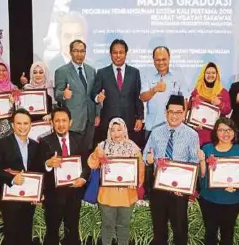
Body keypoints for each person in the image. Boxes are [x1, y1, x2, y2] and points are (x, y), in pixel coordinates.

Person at [144, 95, 199, 245]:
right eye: (171, 112)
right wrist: (149, 159)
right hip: (158, 188)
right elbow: (145, 155)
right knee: (159, 229)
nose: (174, 115)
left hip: (179, 191)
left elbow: (194, 163)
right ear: (165, 112)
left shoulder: (192, 135)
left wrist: (185, 188)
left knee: (180, 230)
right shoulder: (156, 132)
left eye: (178, 112)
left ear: (184, 113)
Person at [0, 108, 45, 245]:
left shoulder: (36, 146)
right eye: (19, 123)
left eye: (26, 123)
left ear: (30, 125)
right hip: (10, 198)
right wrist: (12, 178)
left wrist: (39, 192)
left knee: (26, 234)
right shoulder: (2, 143)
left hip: (28, 198)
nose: (22, 127)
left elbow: (38, 171)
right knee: (11, 235)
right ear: (13, 125)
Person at [88, 117, 145, 245]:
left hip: (127, 195)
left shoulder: (133, 147)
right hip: (107, 195)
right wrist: (97, 154)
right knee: (107, 226)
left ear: (124, 130)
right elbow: (92, 164)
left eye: (119, 129)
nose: (116, 133)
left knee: (123, 226)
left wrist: (135, 182)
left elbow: (140, 169)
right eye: (112, 130)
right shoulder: (103, 146)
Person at [39, 107, 90, 245]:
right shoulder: (44, 142)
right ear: (52, 123)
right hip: (53, 195)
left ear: (70, 122)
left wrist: (83, 178)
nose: (61, 124)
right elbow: (38, 167)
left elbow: (87, 164)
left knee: (72, 231)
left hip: (74, 193)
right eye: (57, 121)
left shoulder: (80, 138)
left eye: (64, 121)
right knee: (52, 232)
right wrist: (48, 164)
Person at [199, 117, 239, 245]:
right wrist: (201, 161)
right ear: (215, 132)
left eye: (229, 130)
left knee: (227, 234)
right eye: (221, 130)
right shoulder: (207, 149)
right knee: (210, 234)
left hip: (231, 200)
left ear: (234, 132)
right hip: (209, 198)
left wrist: (236, 187)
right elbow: (202, 175)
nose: (225, 134)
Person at [91, 39, 144, 145]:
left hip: (129, 122)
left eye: (121, 52)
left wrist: (140, 118)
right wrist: (98, 98)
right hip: (108, 123)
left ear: (125, 54)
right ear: (110, 54)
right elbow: (93, 93)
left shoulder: (135, 72)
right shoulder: (102, 72)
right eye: (115, 52)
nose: (118, 55)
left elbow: (138, 97)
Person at [54, 39, 99, 150]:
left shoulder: (91, 70)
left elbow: (95, 93)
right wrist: (63, 94)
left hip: (90, 119)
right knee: (74, 153)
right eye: (76, 51)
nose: (79, 54)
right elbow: (57, 94)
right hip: (73, 121)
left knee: (87, 153)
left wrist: (97, 113)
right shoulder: (62, 71)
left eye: (82, 51)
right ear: (70, 52)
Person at [140, 46, 190, 139]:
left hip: (174, 126)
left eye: (164, 59)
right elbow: (142, 97)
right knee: (150, 153)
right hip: (152, 127)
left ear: (169, 58)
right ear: (153, 60)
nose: (161, 63)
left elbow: (185, 100)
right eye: (158, 60)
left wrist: (182, 121)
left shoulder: (178, 76)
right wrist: (154, 89)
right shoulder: (147, 75)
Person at [189, 62, 231, 147]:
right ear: (203, 74)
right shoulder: (197, 91)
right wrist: (194, 126)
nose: (210, 75)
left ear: (217, 75)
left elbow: (227, 110)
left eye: (213, 73)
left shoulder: (223, 92)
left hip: (216, 133)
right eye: (208, 73)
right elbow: (189, 109)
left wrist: (219, 103)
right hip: (199, 131)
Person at [46, 12, 87, 85]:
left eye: (78, 35)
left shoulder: (91, 67)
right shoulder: (51, 66)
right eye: (67, 36)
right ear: (59, 38)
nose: (73, 41)